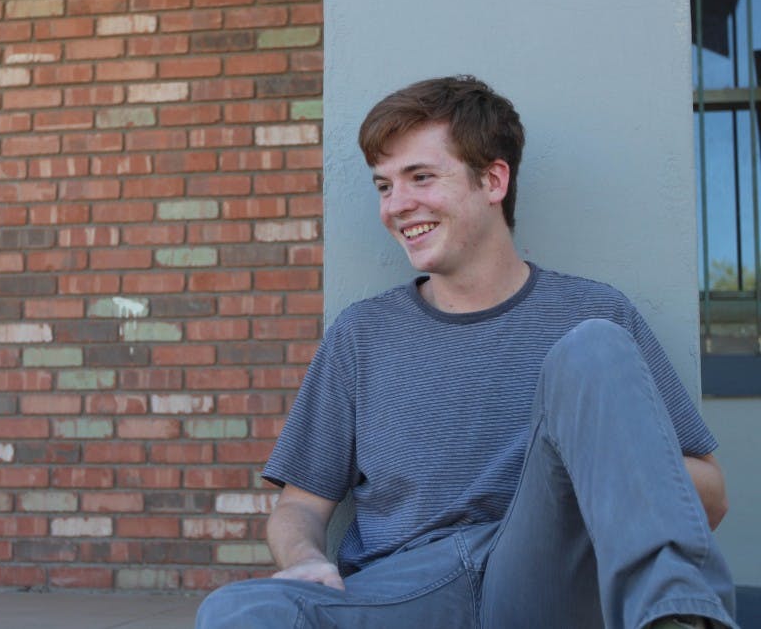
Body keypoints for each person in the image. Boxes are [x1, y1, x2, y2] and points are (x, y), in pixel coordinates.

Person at [195, 75, 739, 629]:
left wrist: (601, 462)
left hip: (547, 580)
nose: (396, 206)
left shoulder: (595, 315)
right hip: (404, 592)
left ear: (493, 179)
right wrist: (305, 558)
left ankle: (677, 619)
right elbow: (301, 505)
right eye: (384, 186)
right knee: (237, 611)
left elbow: (711, 497)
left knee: (592, 347)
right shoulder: (361, 334)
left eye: (421, 178)